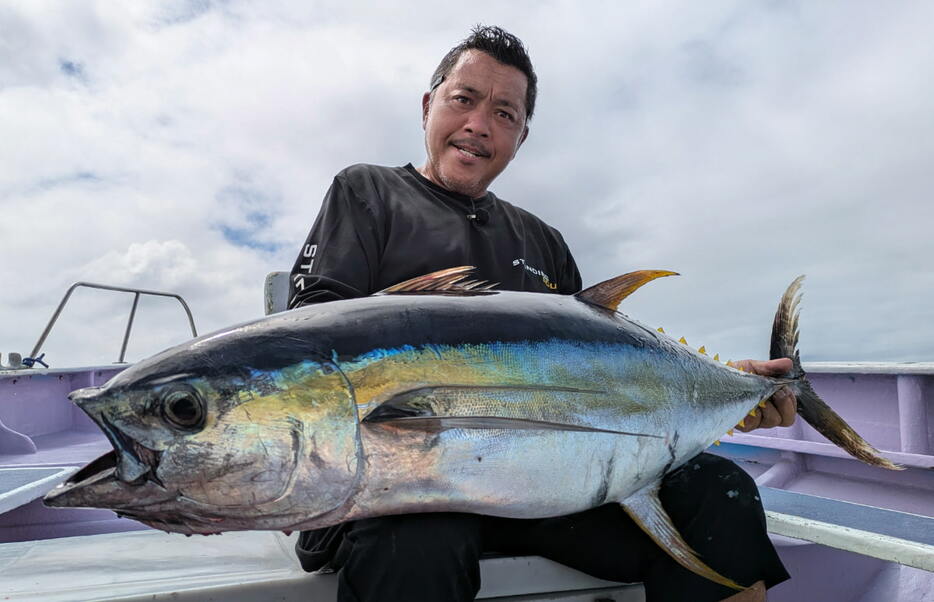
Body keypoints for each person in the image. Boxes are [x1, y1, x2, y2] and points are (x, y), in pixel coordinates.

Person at [289, 25, 794, 602]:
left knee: (719, 492)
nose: (479, 123)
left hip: (544, 489)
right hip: (394, 487)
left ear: (521, 136)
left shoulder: (543, 239)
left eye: (505, 113)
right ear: (429, 105)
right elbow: (315, 333)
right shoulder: (368, 192)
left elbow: (602, 376)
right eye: (464, 99)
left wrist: (724, 395)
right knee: (420, 539)